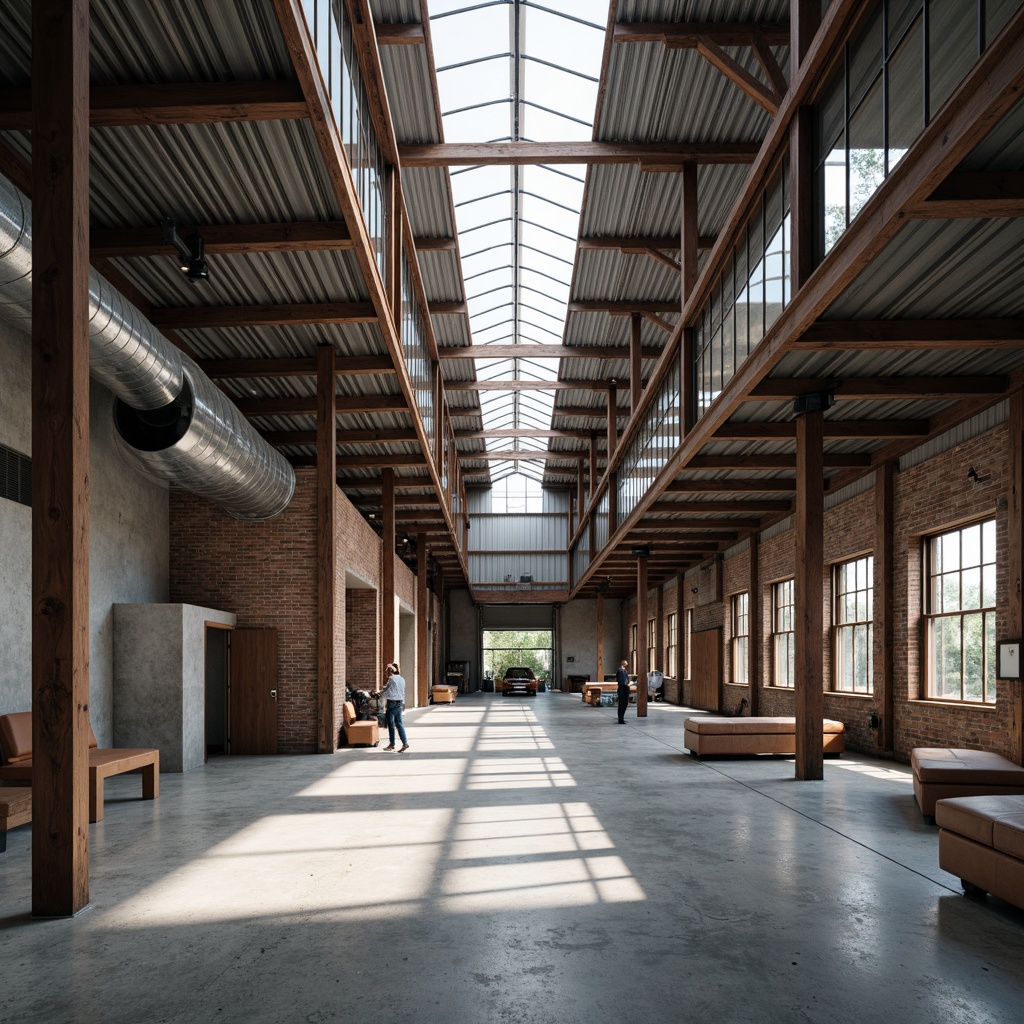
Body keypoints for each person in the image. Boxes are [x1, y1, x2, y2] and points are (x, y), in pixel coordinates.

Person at [379, 662, 409, 752]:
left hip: (392, 703)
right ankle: (405, 743)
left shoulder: (392, 679)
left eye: (388, 671)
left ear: (391, 671)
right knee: (399, 724)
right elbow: (399, 691)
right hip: (400, 703)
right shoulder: (402, 679)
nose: (387, 673)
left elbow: (388, 691)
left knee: (391, 724)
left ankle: (392, 744)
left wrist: (380, 692)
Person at [616, 658, 630, 724]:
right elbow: (623, 681)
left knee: (623, 704)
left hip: (623, 688)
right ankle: (620, 719)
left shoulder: (623, 671)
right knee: (622, 704)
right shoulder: (621, 671)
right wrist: (628, 684)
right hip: (623, 689)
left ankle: (621, 718)